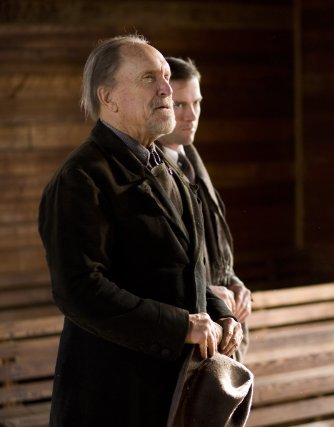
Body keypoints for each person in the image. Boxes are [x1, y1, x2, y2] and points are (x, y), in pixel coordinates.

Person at [38, 34, 243, 427]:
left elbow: (187, 269)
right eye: (149, 78)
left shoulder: (170, 171)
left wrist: (222, 314)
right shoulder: (81, 178)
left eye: (165, 77)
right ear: (108, 98)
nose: (167, 89)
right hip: (111, 399)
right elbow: (79, 291)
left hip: (170, 395)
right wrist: (181, 326)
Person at [158, 56, 252, 361]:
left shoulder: (192, 162)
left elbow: (213, 248)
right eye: (179, 105)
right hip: (188, 335)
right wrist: (208, 294)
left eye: (196, 103)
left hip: (222, 326)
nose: (192, 115)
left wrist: (234, 283)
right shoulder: (151, 169)